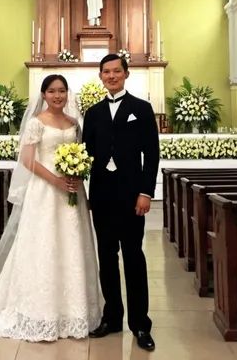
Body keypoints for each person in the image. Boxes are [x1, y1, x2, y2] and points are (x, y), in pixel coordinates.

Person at [0, 75, 101, 342]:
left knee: (72, 244)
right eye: (52, 91)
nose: (58, 95)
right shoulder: (35, 123)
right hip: (45, 192)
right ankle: (40, 310)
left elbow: (81, 153)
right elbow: (28, 160)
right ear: (44, 94)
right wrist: (57, 181)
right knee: (44, 244)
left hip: (72, 190)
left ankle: (73, 308)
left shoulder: (75, 123)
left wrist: (76, 173)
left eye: (62, 91)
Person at [82, 53, 160, 351]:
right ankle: (112, 317)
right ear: (100, 76)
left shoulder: (141, 109)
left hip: (131, 195)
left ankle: (141, 324)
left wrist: (145, 192)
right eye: (106, 72)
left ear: (126, 74)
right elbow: (85, 152)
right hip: (101, 195)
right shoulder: (93, 113)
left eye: (116, 71)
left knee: (134, 258)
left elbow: (151, 154)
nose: (111, 76)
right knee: (107, 258)